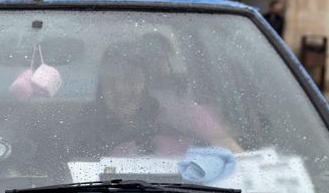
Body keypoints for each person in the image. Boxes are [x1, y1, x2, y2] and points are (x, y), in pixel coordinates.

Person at [75, 42, 239, 158]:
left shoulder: (183, 113)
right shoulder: (88, 124)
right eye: (110, 80)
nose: (119, 88)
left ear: (148, 83)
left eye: (130, 77)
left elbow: (236, 155)